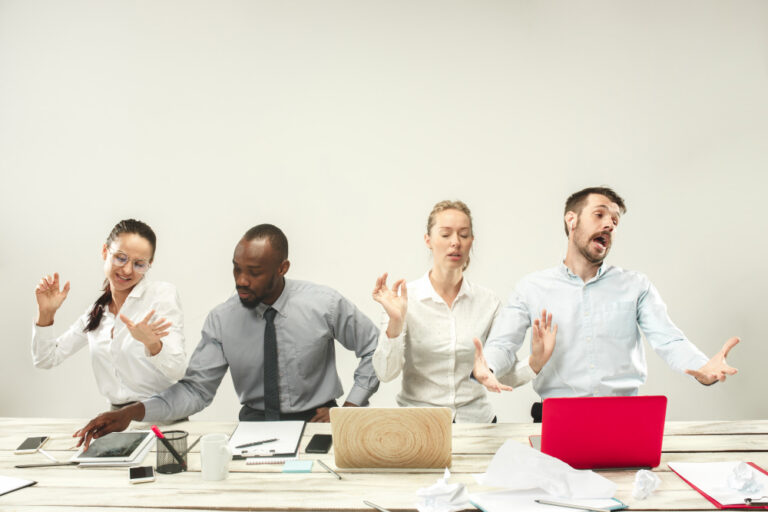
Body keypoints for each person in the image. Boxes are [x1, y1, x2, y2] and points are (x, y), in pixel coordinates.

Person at [74, 224, 380, 448]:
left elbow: (374, 348)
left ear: (282, 268)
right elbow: (195, 391)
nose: (241, 281)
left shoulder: (324, 304)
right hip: (254, 429)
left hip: (319, 424)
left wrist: (350, 410)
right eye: (237, 269)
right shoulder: (222, 319)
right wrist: (132, 413)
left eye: (255, 272)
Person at [472, 187, 740, 422]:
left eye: (615, 220)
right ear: (572, 220)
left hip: (625, 418)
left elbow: (669, 340)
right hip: (558, 419)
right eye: (599, 215)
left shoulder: (636, 286)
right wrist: (489, 367)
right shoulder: (531, 288)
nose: (610, 225)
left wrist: (703, 369)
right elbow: (503, 345)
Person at [372, 200, 557, 423]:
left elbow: (496, 374)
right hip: (419, 426)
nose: (455, 243)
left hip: (477, 424)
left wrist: (535, 363)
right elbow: (385, 372)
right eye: (445, 234)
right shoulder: (403, 300)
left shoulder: (488, 302)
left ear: (472, 241)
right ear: (428, 240)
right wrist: (395, 322)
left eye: (463, 234)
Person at [32, 219, 186, 409]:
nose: (127, 270)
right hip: (117, 420)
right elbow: (46, 359)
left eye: (139, 264)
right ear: (105, 251)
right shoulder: (96, 313)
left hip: (162, 416)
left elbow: (177, 369)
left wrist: (152, 344)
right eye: (120, 258)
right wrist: (45, 314)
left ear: (149, 264)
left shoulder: (161, 296)